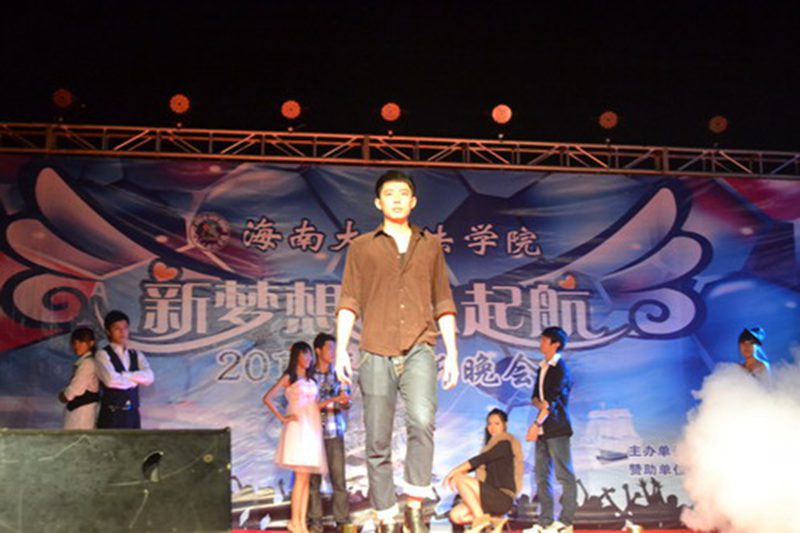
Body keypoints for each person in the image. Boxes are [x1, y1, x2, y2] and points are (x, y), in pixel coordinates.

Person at [335, 170, 460, 533]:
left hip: (420, 346)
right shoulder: (362, 247)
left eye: (403, 193)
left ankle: (415, 506)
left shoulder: (430, 245)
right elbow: (349, 301)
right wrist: (341, 349)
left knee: (421, 420)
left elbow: (443, 300)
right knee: (377, 438)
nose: (396, 199)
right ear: (378, 202)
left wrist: (453, 354)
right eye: (389, 194)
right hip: (375, 349)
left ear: (413, 201)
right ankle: (386, 514)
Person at [264, 341, 328, 533]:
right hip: (297, 428)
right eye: (304, 354)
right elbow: (268, 398)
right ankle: (295, 521)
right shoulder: (290, 377)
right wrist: (283, 417)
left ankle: (301, 522)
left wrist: (334, 400)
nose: (308, 358)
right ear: (296, 356)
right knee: (300, 477)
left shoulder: (311, 380)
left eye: (309, 355)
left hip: (311, 429)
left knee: (305, 479)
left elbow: (315, 405)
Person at [526, 327, 577, 533]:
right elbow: (535, 398)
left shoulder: (560, 367)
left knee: (564, 475)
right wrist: (541, 406)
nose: (541, 343)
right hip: (543, 427)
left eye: (544, 340)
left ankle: (566, 522)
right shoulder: (542, 367)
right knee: (541, 475)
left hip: (556, 427)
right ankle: (545, 521)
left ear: (555, 344)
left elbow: (552, 402)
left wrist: (536, 423)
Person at [444, 408, 523, 533]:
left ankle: (481, 520)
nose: (492, 427)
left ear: (505, 425)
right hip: (488, 498)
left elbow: (480, 459)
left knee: (459, 478)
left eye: (497, 424)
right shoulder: (490, 446)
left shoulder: (505, 443)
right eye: (489, 424)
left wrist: (453, 472)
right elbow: (478, 463)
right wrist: (459, 473)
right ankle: (493, 520)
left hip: (502, 497)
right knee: (456, 515)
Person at [307, 333, 352, 532]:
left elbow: (347, 402)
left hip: (334, 431)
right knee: (313, 482)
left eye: (334, 349)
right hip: (313, 434)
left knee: (338, 480)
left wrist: (345, 401)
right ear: (318, 351)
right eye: (329, 348)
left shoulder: (339, 374)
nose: (333, 353)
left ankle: (342, 521)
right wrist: (332, 400)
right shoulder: (309, 376)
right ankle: (315, 523)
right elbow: (308, 405)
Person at [95, 310, 154, 429]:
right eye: (117, 328)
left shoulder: (136, 354)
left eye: (125, 328)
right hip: (111, 414)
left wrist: (124, 375)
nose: (122, 332)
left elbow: (149, 377)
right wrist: (136, 380)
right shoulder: (102, 354)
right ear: (108, 331)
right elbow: (110, 380)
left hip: (133, 413)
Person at [59, 326, 100, 429]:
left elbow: (74, 390)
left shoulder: (87, 364)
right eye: (75, 342)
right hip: (80, 413)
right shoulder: (86, 362)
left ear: (91, 343)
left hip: (81, 414)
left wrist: (63, 395)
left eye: (81, 342)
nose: (77, 345)